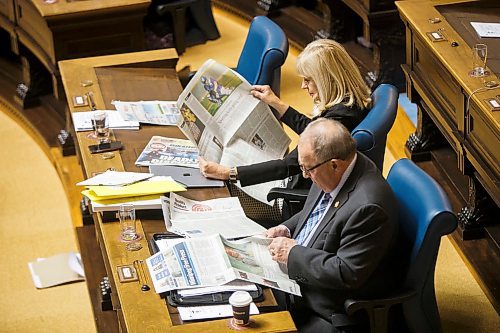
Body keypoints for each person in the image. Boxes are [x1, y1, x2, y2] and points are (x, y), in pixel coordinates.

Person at [266, 118, 399, 332]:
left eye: (308, 169)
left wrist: (292, 254)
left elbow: (345, 272)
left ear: (334, 164)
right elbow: (317, 211)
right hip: (299, 272)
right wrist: (287, 227)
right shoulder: (336, 168)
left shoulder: (368, 208)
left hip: (323, 305)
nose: (305, 176)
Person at [198, 39, 372, 196]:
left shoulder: (340, 117)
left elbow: (289, 165)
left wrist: (228, 173)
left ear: (327, 79)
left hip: (295, 195)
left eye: (308, 80)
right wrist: (276, 103)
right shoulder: (348, 103)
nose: (303, 86)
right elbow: (314, 129)